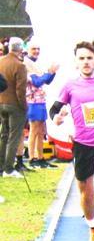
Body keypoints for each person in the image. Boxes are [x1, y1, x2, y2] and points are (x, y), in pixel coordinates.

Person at [49, 42, 94, 241]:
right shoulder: (70, 86)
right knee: (85, 194)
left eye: (89, 58)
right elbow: (54, 109)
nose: (86, 62)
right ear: (76, 62)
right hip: (82, 144)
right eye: (82, 58)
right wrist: (57, 118)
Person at [24, 39, 59, 169]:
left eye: (38, 49)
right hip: (32, 101)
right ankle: (32, 157)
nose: (37, 51)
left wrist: (52, 72)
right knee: (34, 129)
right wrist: (48, 73)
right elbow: (37, 82)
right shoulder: (26, 64)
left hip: (40, 100)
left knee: (41, 130)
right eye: (34, 49)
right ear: (27, 49)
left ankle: (40, 157)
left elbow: (46, 81)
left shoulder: (35, 64)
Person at [0, 37, 28, 177]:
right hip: (15, 104)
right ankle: (9, 169)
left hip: (1, 103)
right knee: (14, 137)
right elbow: (20, 90)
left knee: (3, 135)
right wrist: (24, 106)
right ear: (20, 49)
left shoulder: (1, 61)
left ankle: (1, 166)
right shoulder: (20, 65)